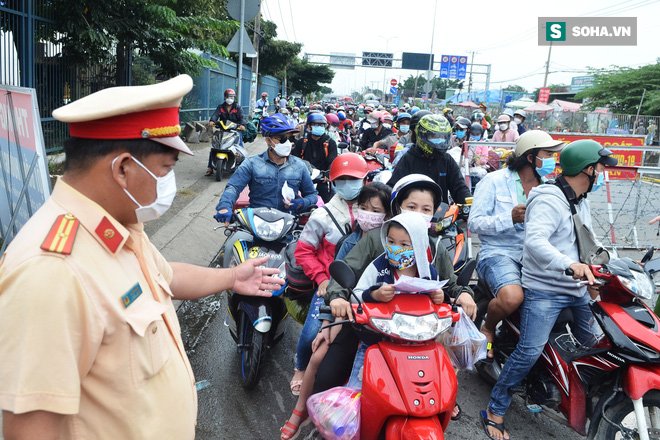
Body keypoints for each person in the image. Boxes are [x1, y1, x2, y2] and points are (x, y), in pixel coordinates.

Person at [0, 75, 285, 440]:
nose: (169, 182)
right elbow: (32, 431)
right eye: (166, 169)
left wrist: (232, 278)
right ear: (122, 169)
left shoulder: (118, 227)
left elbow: (166, 276)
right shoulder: (51, 271)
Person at [482, 139, 618, 440]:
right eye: (601, 167)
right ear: (588, 170)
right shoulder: (548, 198)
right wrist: (569, 264)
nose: (604, 173)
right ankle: (495, 409)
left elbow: (588, 241)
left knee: (596, 346)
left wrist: (614, 265)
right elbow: (535, 242)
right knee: (528, 351)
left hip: (577, 289)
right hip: (546, 290)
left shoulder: (579, 200)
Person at [280, 182, 392, 440]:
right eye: (363, 207)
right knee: (317, 353)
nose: (367, 214)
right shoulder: (349, 242)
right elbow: (336, 285)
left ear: (387, 214)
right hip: (346, 313)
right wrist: (331, 319)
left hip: (385, 323)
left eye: (375, 210)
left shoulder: (397, 245)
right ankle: (300, 412)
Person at [468, 131, 565, 359]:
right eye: (548, 154)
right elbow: (474, 223)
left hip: (535, 255)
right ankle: (488, 328)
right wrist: (508, 218)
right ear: (530, 157)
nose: (552, 159)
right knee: (512, 297)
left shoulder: (549, 187)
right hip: (498, 254)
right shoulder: (493, 181)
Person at [287, 152, 366, 398]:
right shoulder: (322, 216)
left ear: (365, 179)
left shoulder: (375, 209)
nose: (348, 184)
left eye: (353, 178)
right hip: (331, 284)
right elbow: (304, 251)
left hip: (365, 284)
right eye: (342, 179)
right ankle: (300, 367)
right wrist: (321, 278)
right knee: (312, 334)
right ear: (333, 182)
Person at [214, 113, 318, 224]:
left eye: (290, 138)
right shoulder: (251, 163)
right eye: (282, 138)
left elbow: (312, 195)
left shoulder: (299, 166)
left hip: (288, 227)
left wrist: (302, 203)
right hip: (256, 225)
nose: (287, 143)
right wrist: (225, 206)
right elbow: (233, 188)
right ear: (268, 140)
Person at [388, 114, 472, 205]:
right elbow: (394, 187)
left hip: (442, 214)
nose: (439, 140)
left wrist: (468, 204)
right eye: (434, 136)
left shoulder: (446, 159)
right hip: (414, 211)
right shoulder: (408, 158)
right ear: (422, 135)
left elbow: (459, 187)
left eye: (442, 137)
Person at [292, 113, 338, 202]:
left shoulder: (330, 143)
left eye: (322, 125)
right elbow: (294, 161)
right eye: (316, 125)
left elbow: (332, 160)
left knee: (328, 203)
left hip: (321, 180)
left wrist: (327, 174)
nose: (319, 127)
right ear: (309, 127)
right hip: (303, 180)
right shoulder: (301, 142)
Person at [206, 88, 247, 176]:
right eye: (229, 96)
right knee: (214, 146)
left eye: (232, 97)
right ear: (225, 97)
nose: (230, 99)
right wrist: (212, 121)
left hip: (234, 130)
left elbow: (242, 117)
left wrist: (242, 124)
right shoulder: (221, 107)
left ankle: (243, 166)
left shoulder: (237, 107)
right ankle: (210, 167)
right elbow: (215, 115)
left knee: (240, 147)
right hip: (223, 130)